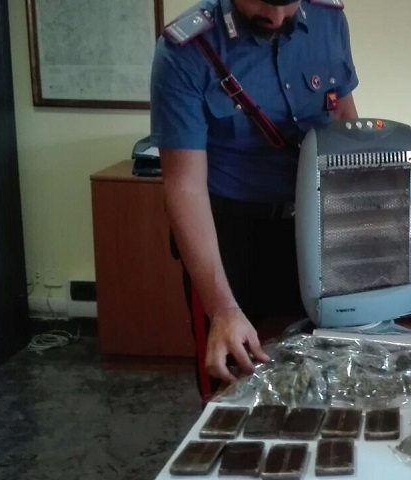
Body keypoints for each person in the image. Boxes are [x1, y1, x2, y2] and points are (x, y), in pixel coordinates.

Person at [150, 0, 359, 394]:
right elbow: (184, 186)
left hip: (314, 229)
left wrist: (354, 237)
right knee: (236, 383)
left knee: (328, 374)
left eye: (287, 3)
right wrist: (223, 309)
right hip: (230, 240)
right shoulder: (187, 50)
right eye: (262, 1)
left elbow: (344, 121)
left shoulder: (329, 22)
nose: (276, 17)